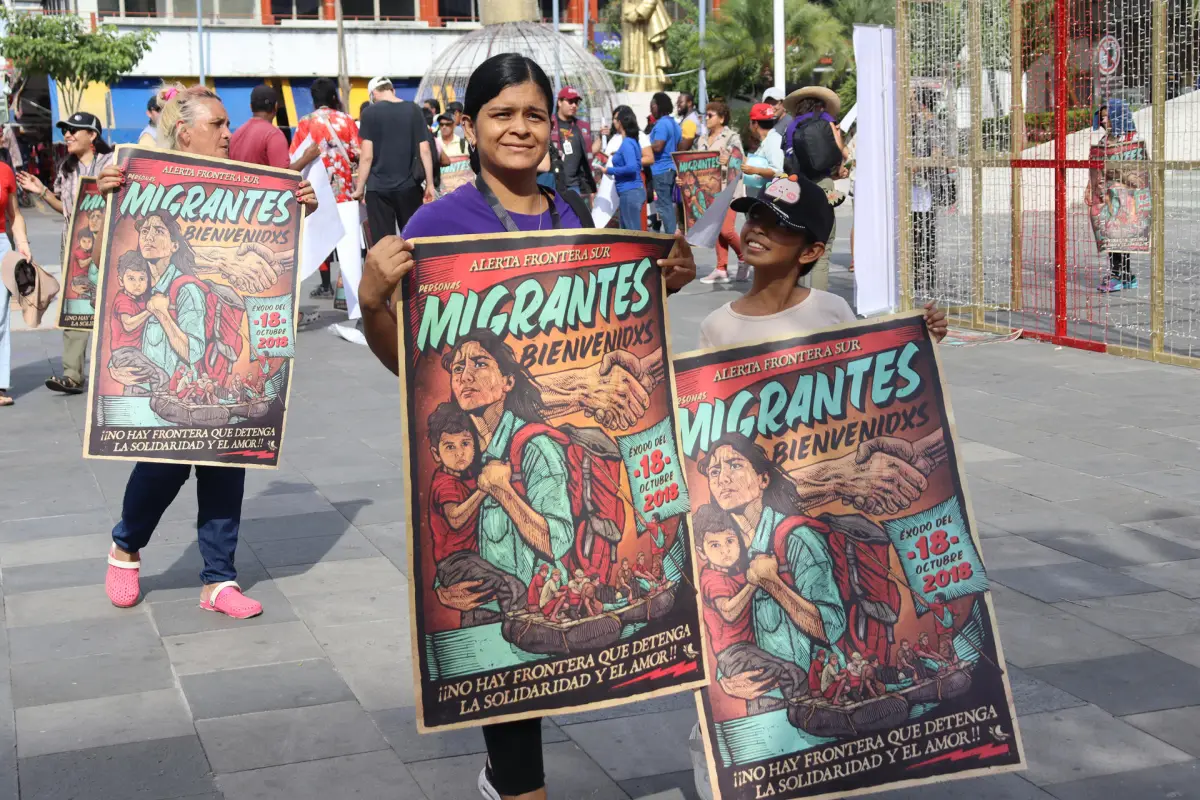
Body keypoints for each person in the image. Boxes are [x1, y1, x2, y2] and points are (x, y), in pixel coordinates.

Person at [356, 52, 696, 800]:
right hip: (485, 485)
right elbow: (408, 371)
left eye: (533, 115)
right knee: (513, 655)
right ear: (469, 128)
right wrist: (372, 299)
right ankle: (515, 784)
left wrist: (662, 279)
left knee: (564, 619)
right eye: (501, 114)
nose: (519, 128)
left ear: (554, 124)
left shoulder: (577, 213)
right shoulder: (438, 225)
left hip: (559, 466)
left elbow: (614, 332)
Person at [95, 83, 317, 618]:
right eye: (218, 124)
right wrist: (103, 193)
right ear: (183, 130)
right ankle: (126, 544)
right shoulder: (140, 180)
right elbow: (98, 248)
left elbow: (272, 260)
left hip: (215, 362)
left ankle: (219, 580)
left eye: (227, 123)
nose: (229, 132)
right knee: (161, 466)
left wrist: (299, 208)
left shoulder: (253, 188)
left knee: (227, 457)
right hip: (163, 365)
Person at [699, 175, 946, 349]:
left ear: (810, 252)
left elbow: (870, 375)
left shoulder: (832, 310)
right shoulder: (717, 326)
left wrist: (922, 340)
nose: (758, 229)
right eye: (754, 215)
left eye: (780, 224)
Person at [17, 111, 113, 395]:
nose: (67, 135)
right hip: (73, 246)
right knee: (76, 308)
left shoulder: (112, 162)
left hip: (108, 243)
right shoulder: (66, 167)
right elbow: (67, 209)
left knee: (113, 306)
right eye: (65, 130)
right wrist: (42, 191)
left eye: (74, 130)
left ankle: (117, 372)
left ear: (93, 135)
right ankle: (72, 374)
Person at [694, 502, 808, 704]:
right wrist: (754, 582)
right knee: (783, 673)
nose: (725, 551)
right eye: (715, 545)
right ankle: (803, 710)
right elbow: (728, 612)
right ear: (701, 552)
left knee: (793, 671)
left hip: (749, 649)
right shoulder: (712, 578)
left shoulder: (736, 570)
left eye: (730, 541)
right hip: (733, 655)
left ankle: (808, 706)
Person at [291, 77, 362, 297]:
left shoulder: (305, 122)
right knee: (347, 240)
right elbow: (357, 153)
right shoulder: (346, 120)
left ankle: (325, 284)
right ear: (334, 97)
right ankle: (347, 288)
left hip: (318, 191)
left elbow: (294, 155)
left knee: (321, 236)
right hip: (345, 191)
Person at [780, 87, 849, 292]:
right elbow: (838, 151)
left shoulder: (791, 126)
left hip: (797, 187)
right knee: (823, 249)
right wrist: (839, 169)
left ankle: (796, 299)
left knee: (800, 246)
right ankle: (819, 305)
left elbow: (787, 159)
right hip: (823, 186)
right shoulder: (827, 119)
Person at [353, 77, 435, 244]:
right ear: (392, 90)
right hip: (409, 187)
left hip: (378, 189)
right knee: (414, 240)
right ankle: (414, 270)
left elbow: (367, 156)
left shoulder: (369, 113)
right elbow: (425, 150)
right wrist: (430, 184)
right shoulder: (413, 109)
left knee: (384, 245)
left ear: (373, 94)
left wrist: (360, 188)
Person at [1089, 98, 1141, 293]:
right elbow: (1097, 166)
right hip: (1108, 196)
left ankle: (1118, 274)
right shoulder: (1107, 140)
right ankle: (1125, 275)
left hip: (1126, 195)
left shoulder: (1131, 140)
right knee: (1112, 235)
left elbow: (1140, 167)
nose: (1103, 122)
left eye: (1107, 118)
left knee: (1120, 236)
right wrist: (1091, 187)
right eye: (1101, 118)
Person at [697, 100, 746, 284]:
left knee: (726, 230)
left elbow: (740, 162)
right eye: (705, 115)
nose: (706, 119)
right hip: (709, 191)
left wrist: (730, 160)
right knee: (717, 230)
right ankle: (721, 268)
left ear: (722, 118)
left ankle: (744, 256)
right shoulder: (702, 139)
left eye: (710, 115)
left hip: (728, 190)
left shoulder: (731, 137)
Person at [0, 151, 31, 407]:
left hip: (0, 244)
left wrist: (21, 244)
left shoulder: (5, 171)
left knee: (0, 316)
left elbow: (15, 214)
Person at [228, 84, 290, 169]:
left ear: (251, 106)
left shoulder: (236, 134)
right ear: (276, 106)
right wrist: (306, 158)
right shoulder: (274, 135)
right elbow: (284, 175)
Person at [550, 86, 596, 200]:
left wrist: (601, 137)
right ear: (559, 102)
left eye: (576, 102)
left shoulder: (582, 126)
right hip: (552, 182)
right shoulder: (549, 123)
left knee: (575, 217)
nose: (574, 105)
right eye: (570, 101)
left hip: (575, 185)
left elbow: (589, 153)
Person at [605, 106, 646, 231]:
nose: (613, 122)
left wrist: (609, 171)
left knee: (632, 233)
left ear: (621, 123)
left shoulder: (627, 143)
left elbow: (632, 167)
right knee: (628, 231)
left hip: (630, 192)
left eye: (615, 119)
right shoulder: (632, 141)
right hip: (630, 192)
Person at [648, 92, 681, 235]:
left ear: (659, 106)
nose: (651, 109)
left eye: (653, 105)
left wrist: (642, 148)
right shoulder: (674, 124)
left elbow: (658, 146)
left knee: (664, 206)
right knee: (668, 206)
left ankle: (671, 239)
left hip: (661, 170)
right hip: (671, 168)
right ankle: (673, 235)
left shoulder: (661, 124)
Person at [109, 250, 152, 350]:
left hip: (136, 351)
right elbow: (128, 324)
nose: (137, 284)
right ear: (121, 281)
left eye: (141, 279)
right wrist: (150, 311)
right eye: (131, 279)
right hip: (123, 352)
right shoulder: (123, 300)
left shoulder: (141, 297)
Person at [742, 103, 784, 195]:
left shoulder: (773, 141)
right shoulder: (767, 141)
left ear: (755, 124)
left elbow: (777, 171)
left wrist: (755, 170)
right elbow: (759, 163)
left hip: (769, 198)